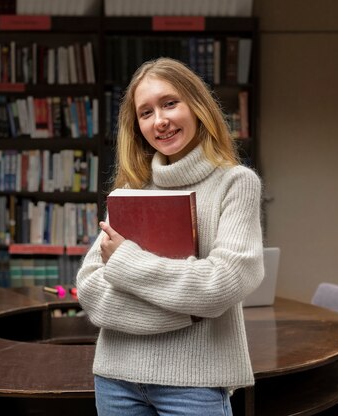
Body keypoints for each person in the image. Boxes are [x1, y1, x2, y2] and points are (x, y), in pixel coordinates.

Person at [76, 57, 264, 416]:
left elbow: (222, 284)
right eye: (145, 113)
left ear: (197, 106)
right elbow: (90, 289)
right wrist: (188, 311)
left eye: (169, 103)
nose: (159, 121)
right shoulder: (130, 190)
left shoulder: (236, 184)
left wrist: (126, 262)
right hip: (115, 379)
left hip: (194, 383)